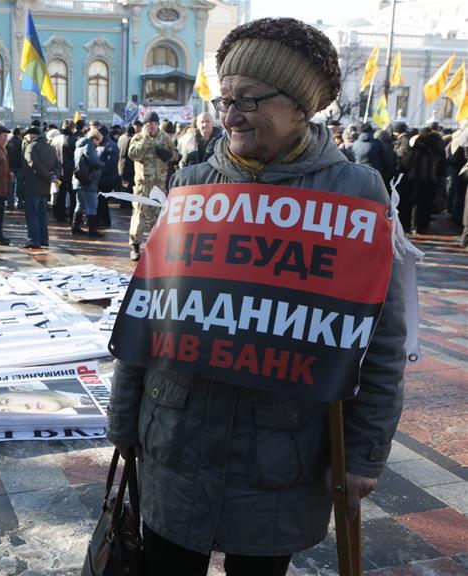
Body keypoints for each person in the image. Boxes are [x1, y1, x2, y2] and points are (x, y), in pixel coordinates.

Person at [108, 18, 406, 576]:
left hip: (280, 452)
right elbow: (147, 313)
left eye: (249, 98)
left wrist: (364, 453)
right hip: (175, 437)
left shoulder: (355, 195)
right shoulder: (191, 185)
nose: (231, 113)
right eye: (225, 98)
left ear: (300, 107)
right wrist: (124, 419)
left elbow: (380, 341)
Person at [127, 111, 173, 261]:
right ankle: (134, 247)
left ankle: (155, 246)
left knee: (158, 217)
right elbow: (133, 155)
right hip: (143, 186)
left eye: (154, 124)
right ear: (144, 125)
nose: (152, 127)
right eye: (149, 124)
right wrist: (146, 139)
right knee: (139, 216)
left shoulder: (164, 137)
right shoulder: (138, 137)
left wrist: (167, 154)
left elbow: (175, 155)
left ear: (158, 124)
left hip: (159, 186)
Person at [22, 126, 60, 249]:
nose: (26, 139)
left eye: (27, 136)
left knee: (32, 214)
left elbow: (34, 164)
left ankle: (34, 240)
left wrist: (48, 176)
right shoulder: (50, 147)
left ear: (31, 136)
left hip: (33, 187)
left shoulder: (31, 147)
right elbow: (57, 165)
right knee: (42, 215)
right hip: (45, 187)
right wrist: (53, 176)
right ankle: (44, 239)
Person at [0, 382, 99, 414]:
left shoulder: (74, 382)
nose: (22, 408)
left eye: (7, 401)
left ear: (18, 388)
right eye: (7, 411)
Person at [72, 127, 105, 237]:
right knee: (92, 206)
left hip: (79, 179)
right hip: (87, 180)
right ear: (94, 138)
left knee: (80, 205)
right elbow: (94, 162)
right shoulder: (89, 146)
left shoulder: (79, 145)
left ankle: (75, 228)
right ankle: (92, 230)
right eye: (98, 140)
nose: (99, 143)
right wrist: (103, 164)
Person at [51, 120, 77, 222]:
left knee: (60, 193)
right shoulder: (73, 139)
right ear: (72, 128)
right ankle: (72, 216)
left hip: (57, 171)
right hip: (70, 172)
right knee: (72, 195)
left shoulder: (55, 139)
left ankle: (60, 215)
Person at [97, 127, 120, 228]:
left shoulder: (110, 146)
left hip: (107, 178)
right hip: (102, 177)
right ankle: (101, 219)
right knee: (100, 201)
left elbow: (110, 164)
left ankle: (105, 221)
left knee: (102, 200)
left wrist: (99, 173)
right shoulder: (102, 144)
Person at [5, 126, 24, 210]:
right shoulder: (21, 142)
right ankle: (20, 203)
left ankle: (10, 203)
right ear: (19, 133)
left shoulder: (8, 142)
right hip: (19, 166)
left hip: (10, 167)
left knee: (10, 186)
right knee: (19, 186)